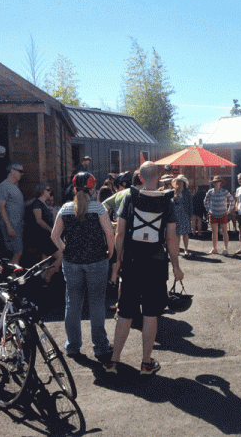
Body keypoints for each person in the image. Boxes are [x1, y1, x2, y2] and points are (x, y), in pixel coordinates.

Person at [105, 161, 184, 376]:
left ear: (139, 177)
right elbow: (171, 237)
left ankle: (114, 361)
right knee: (151, 314)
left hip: (131, 262)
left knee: (125, 313)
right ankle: (146, 363)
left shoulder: (130, 198)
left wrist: (117, 261)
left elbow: (120, 233)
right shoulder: (167, 201)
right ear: (157, 176)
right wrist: (176, 266)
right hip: (156, 264)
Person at [51, 171, 115, 361]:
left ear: (74, 188)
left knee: (73, 304)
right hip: (97, 261)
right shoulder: (99, 208)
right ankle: (101, 347)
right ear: (93, 188)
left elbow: (55, 236)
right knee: (96, 304)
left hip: (72, 263)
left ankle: (72, 346)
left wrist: (65, 250)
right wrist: (110, 252)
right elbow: (110, 234)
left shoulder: (65, 208)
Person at [28, 183, 62, 284]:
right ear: (42, 191)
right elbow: (39, 220)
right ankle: (48, 277)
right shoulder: (37, 204)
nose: (49, 191)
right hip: (44, 237)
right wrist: (51, 230)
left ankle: (42, 281)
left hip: (46, 236)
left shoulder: (43, 204)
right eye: (47, 189)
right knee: (60, 256)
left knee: (45, 260)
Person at [0, 162, 25, 265]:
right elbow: (1, 206)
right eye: (20, 171)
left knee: (16, 253)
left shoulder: (14, 186)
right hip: (12, 225)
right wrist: (9, 226)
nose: (22, 174)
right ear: (12, 171)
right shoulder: (4, 186)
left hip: (18, 225)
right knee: (17, 252)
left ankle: (11, 276)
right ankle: (13, 277)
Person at [204, 176, 234, 255]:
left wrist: (229, 210)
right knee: (214, 232)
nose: (216, 183)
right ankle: (214, 248)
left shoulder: (225, 191)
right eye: (215, 182)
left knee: (224, 232)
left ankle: (225, 248)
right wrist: (208, 210)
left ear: (221, 183)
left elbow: (232, 200)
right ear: (213, 183)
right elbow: (205, 201)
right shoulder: (210, 192)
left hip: (223, 214)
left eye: (218, 182)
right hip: (213, 214)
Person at [172, 175, 193, 256]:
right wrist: (173, 199)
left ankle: (186, 249)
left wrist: (190, 215)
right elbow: (171, 202)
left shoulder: (187, 192)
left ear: (183, 183)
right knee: (177, 233)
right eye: (178, 181)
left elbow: (190, 204)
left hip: (185, 213)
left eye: (180, 181)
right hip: (176, 214)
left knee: (185, 233)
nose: (179, 183)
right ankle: (177, 250)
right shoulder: (174, 191)